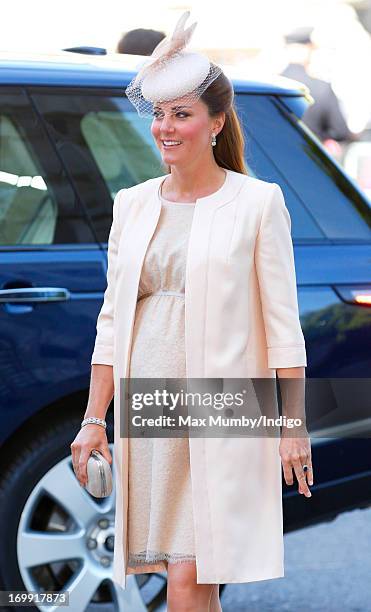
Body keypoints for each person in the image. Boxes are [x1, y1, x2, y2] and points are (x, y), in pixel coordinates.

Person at [71, 11, 313, 611]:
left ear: (216, 122)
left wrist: (292, 424)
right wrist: (93, 418)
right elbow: (110, 321)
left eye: (181, 114)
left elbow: (284, 325)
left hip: (225, 401)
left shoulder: (258, 203)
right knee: (183, 575)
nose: (165, 128)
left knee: (190, 573)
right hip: (150, 396)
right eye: (159, 114)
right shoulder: (130, 205)